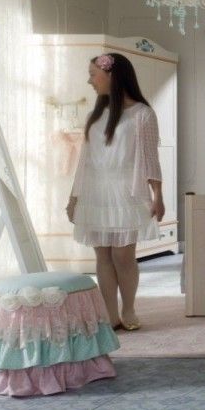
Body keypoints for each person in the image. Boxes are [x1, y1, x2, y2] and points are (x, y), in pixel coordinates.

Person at [66, 53, 164, 331]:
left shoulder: (143, 114)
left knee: (123, 256)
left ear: (112, 75)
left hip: (126, 191)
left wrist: (157, 196)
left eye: (93, 74)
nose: (90, 81)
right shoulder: (94, 116)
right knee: (103, 257)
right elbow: (84, 161)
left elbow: (150, 159)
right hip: (95, 192)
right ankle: (110, 314)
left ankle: (128, 308)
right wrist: (74, 198)